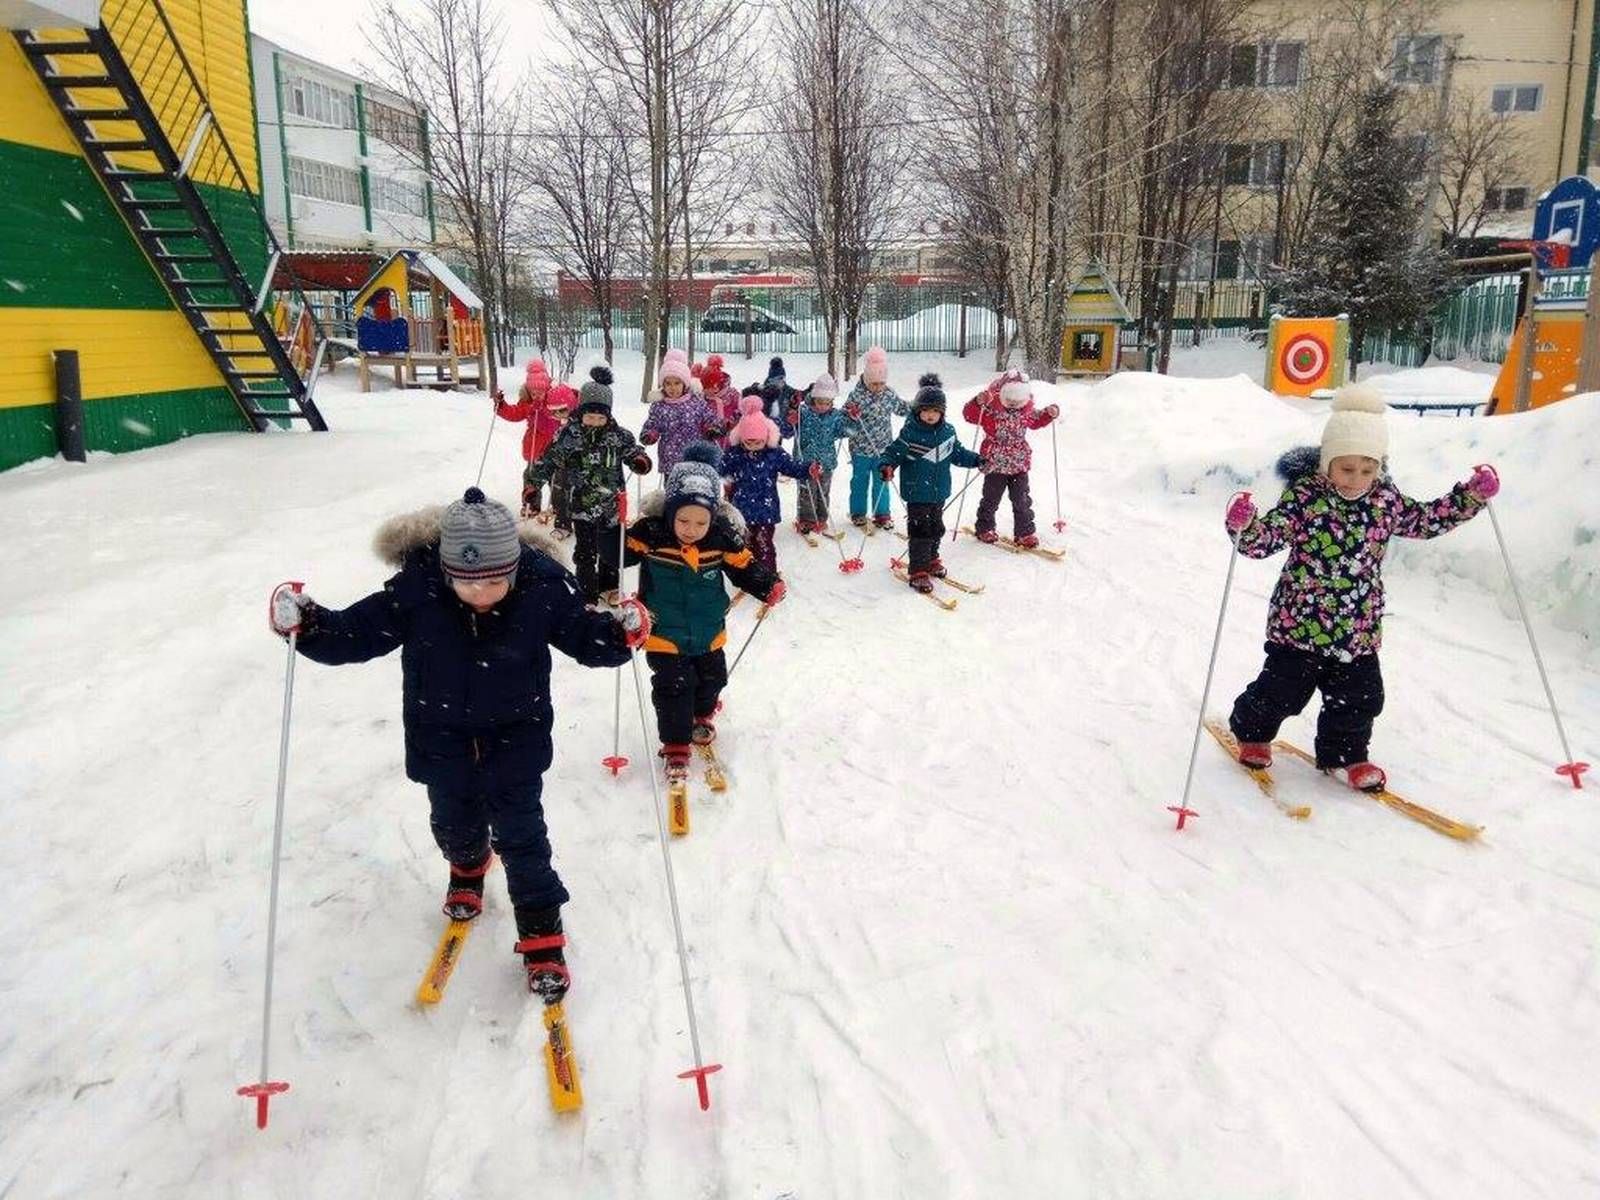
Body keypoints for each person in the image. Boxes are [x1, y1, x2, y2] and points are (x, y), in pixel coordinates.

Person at [266, 487, 652, 1001]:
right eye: (466, 583)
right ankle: (468, 864)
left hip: (515, 739)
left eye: (495, 580)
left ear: (513, 568)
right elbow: (353, 635)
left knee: (524, 841)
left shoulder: (542, 588)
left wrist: (620, 633)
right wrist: (309, 626)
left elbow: (586, 637)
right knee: (452, 824)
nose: (481, 593)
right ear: (446, 571)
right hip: (440, 738)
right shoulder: (417, 592)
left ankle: (541, 932)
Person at [1223, 384, 1499, 790]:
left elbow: (1425, 520)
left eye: (1367, 470)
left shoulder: (1385, 501)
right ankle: (1253, 732)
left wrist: (1470, 497)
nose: (1357, 480)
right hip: (1298, 622)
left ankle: (1345, 755)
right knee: (1281, 691)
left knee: (1359, 698)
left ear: (1379, 467)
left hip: (1357, 626)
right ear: (1326, 464)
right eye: (1346, 469)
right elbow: (1264, 540)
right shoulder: (1305, 498)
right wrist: (1243, 525)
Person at [606, 443, 785, 781]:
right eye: (683, 520)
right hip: (663, 631)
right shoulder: (652, 536)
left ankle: (702, 713)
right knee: (674, 687)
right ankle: (675, 743)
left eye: (700, 521)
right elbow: (618, 555)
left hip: (707, 629)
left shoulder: (720, 538)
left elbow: (744, 568)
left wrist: (767, 585)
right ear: (669, 513)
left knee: (714, 678)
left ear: (713, 517)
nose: (691, 528)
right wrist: (611, 529)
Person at [523, 366, 652, 604]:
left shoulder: (618, 435)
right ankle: (587, 591)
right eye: (589, 416)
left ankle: (608, 585)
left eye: (600, 417)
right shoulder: (568, 435)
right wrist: (534, 484)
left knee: (611, 551)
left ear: (608, 416)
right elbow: (548, 460)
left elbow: (633, 451)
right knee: (585, 551)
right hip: (581, 504)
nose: (594, 422)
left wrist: (639, 460)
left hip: (611, 505)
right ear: (580, 412)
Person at [879, 373, 984, 593]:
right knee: (920, 531)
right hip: (917, 492)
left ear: (942, 413)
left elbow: (958, 454)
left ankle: (932, 558)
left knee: (937, 528)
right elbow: (893, 453)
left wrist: (977, 460)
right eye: (925, 410)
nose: (930, 415)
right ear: (918, 411)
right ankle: (918, 569)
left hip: (939, 491)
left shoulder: (948, 432)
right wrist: (887, 465)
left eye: (935, 411)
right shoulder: (910, 433)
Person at [961, 368, 1060, 548]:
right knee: (991, 499)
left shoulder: (1026, 413)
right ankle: (985, 527)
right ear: (1000, 393)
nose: (1014, 403)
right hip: (995, 465)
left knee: (1022, 500)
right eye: (1010, 397)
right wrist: (977, 402)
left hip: (1018, 464)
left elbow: (1038, 420)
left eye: (1019, 398)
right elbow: (970, 415)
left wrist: (1050, 413)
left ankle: (1025, 532)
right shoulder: (991, 412)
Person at [722, 395, 821, 572]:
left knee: (763, 543)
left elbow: (791, 466)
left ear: (766, 437)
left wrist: (807, 469)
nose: (752, 445)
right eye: (748, 441)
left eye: (758, 441)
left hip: (765, 510)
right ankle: (745, 572)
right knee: (742, 544)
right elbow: (721, 468)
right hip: (741, 509)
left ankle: (768, 575)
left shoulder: (773, 454)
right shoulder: (735, 454)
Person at [842, 346, 909, 529]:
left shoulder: (888, 394)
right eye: (874, 384)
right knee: (859, 482)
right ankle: (858, 513)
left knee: (882, 481)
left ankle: (882, 514)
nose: (878, 388)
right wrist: (850, 414)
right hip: (861, 448)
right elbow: (844, 417)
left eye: (881, 383)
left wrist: (919, 408)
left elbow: (902, 408)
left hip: (883, 449)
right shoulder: (857, 395)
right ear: (866, 379)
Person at [641, 349, 724, 476]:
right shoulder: (659, 406)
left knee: (695, 490)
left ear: (684, 383)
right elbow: (653, 424)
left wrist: (712, 427)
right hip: (670, 460)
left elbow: (709, 417)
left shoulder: (695, 401)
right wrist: (650, 434)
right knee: (674, 492)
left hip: (695, 458)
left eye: (677, 383)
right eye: (668, 383)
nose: (672, 388)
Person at [494, 361, 564, 511]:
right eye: (533, 393)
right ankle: (531, 506)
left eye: (540, 392)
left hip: (556, 451)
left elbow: (555, 423)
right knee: (531, 478)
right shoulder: (528, 404)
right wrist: (501, 406)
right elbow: (515, 413)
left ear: (547, 389)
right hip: (535, 449)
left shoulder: (554, 403)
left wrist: (542, 410)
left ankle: (559, 509)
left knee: (557, 480)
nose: (537, 395)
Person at [787, 373, 850, 534]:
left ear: (831, 402)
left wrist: (853, 420)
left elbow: (845, 431)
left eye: (827, 403)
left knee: (823, 491)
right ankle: (807, 519)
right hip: (805, 461)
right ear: (813, 399)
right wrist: (792, 412)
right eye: (820, 402)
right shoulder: (804, 412)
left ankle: (821, 518)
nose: (823, 406)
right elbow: (788, 428)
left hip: (826, 462)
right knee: (807, 491)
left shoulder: (835, 416)